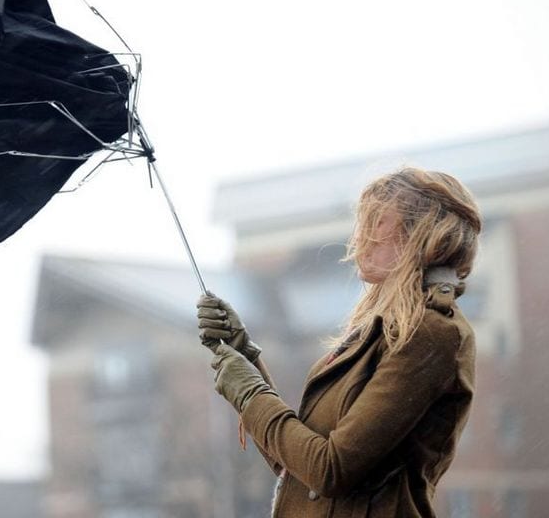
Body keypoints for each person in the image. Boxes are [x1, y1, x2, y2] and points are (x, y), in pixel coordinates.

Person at [197, 166, 482, 517]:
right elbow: (299, 466)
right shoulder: (378, 331)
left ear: (421, 232)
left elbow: (330, 470)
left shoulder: (431, 334)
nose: (362, 233)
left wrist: (251, 393)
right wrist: (246, 357)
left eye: (378, 220)